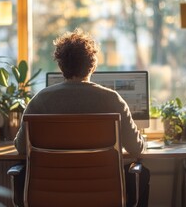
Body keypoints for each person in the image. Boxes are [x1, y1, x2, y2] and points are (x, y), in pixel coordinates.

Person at [14, 28, 150, 206]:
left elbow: (21, 147)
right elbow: (136, 149)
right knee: (143, 172)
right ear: (92, 65)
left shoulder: (40, 101)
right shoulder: (112, 99)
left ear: (61, 66)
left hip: (52, 195)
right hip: (102, 196)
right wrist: (144, 140)